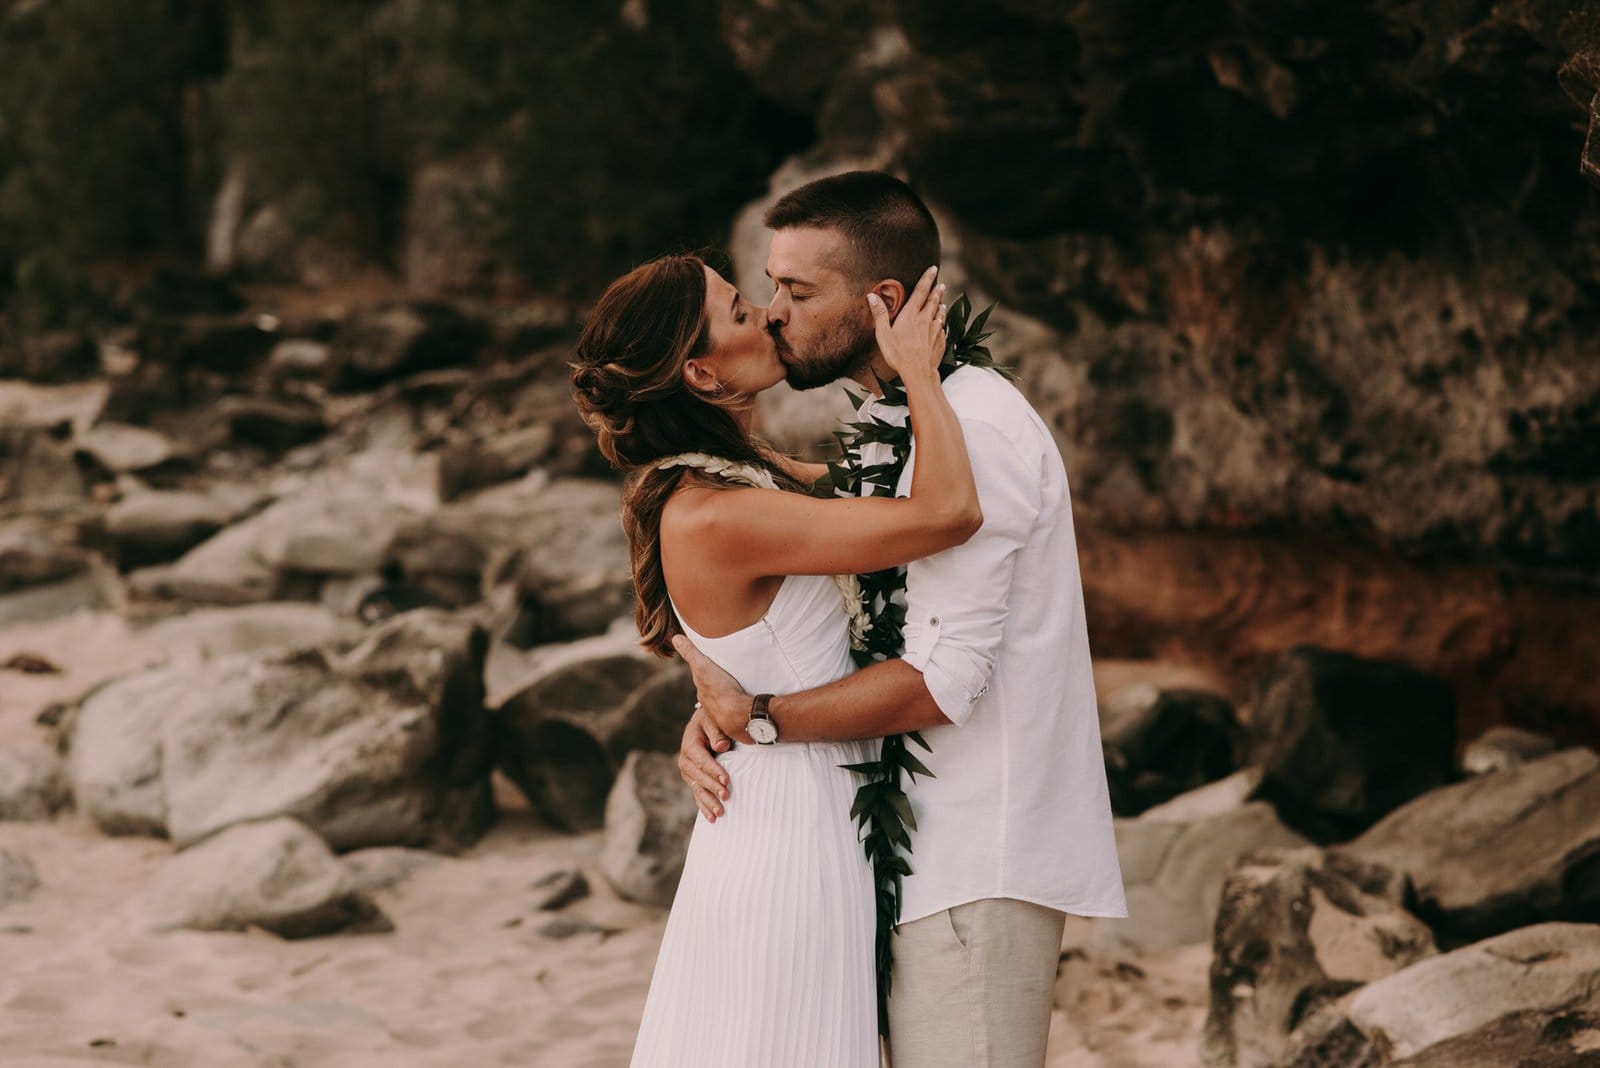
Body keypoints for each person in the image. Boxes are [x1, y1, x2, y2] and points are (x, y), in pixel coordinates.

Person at [675, 170, 1127, 1068]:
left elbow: (943, 678)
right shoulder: (906, 419)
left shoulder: (976, 428)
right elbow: (833, 599)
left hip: (974, 856)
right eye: (768, 289)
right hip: (912, 854)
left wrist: (758, 722)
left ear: (883, 301)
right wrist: (716, 708)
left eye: (797, 292)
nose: (773, 314)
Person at [571, 247, 976, 1066]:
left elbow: (868, 503)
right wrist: (921, 374)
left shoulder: (742, 480)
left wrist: (722, 705)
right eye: (741, 311)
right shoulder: (717, 512)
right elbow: (946, 513)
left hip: (789, 794)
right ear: (703, 375)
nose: (769, 313)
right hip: (794, 825)